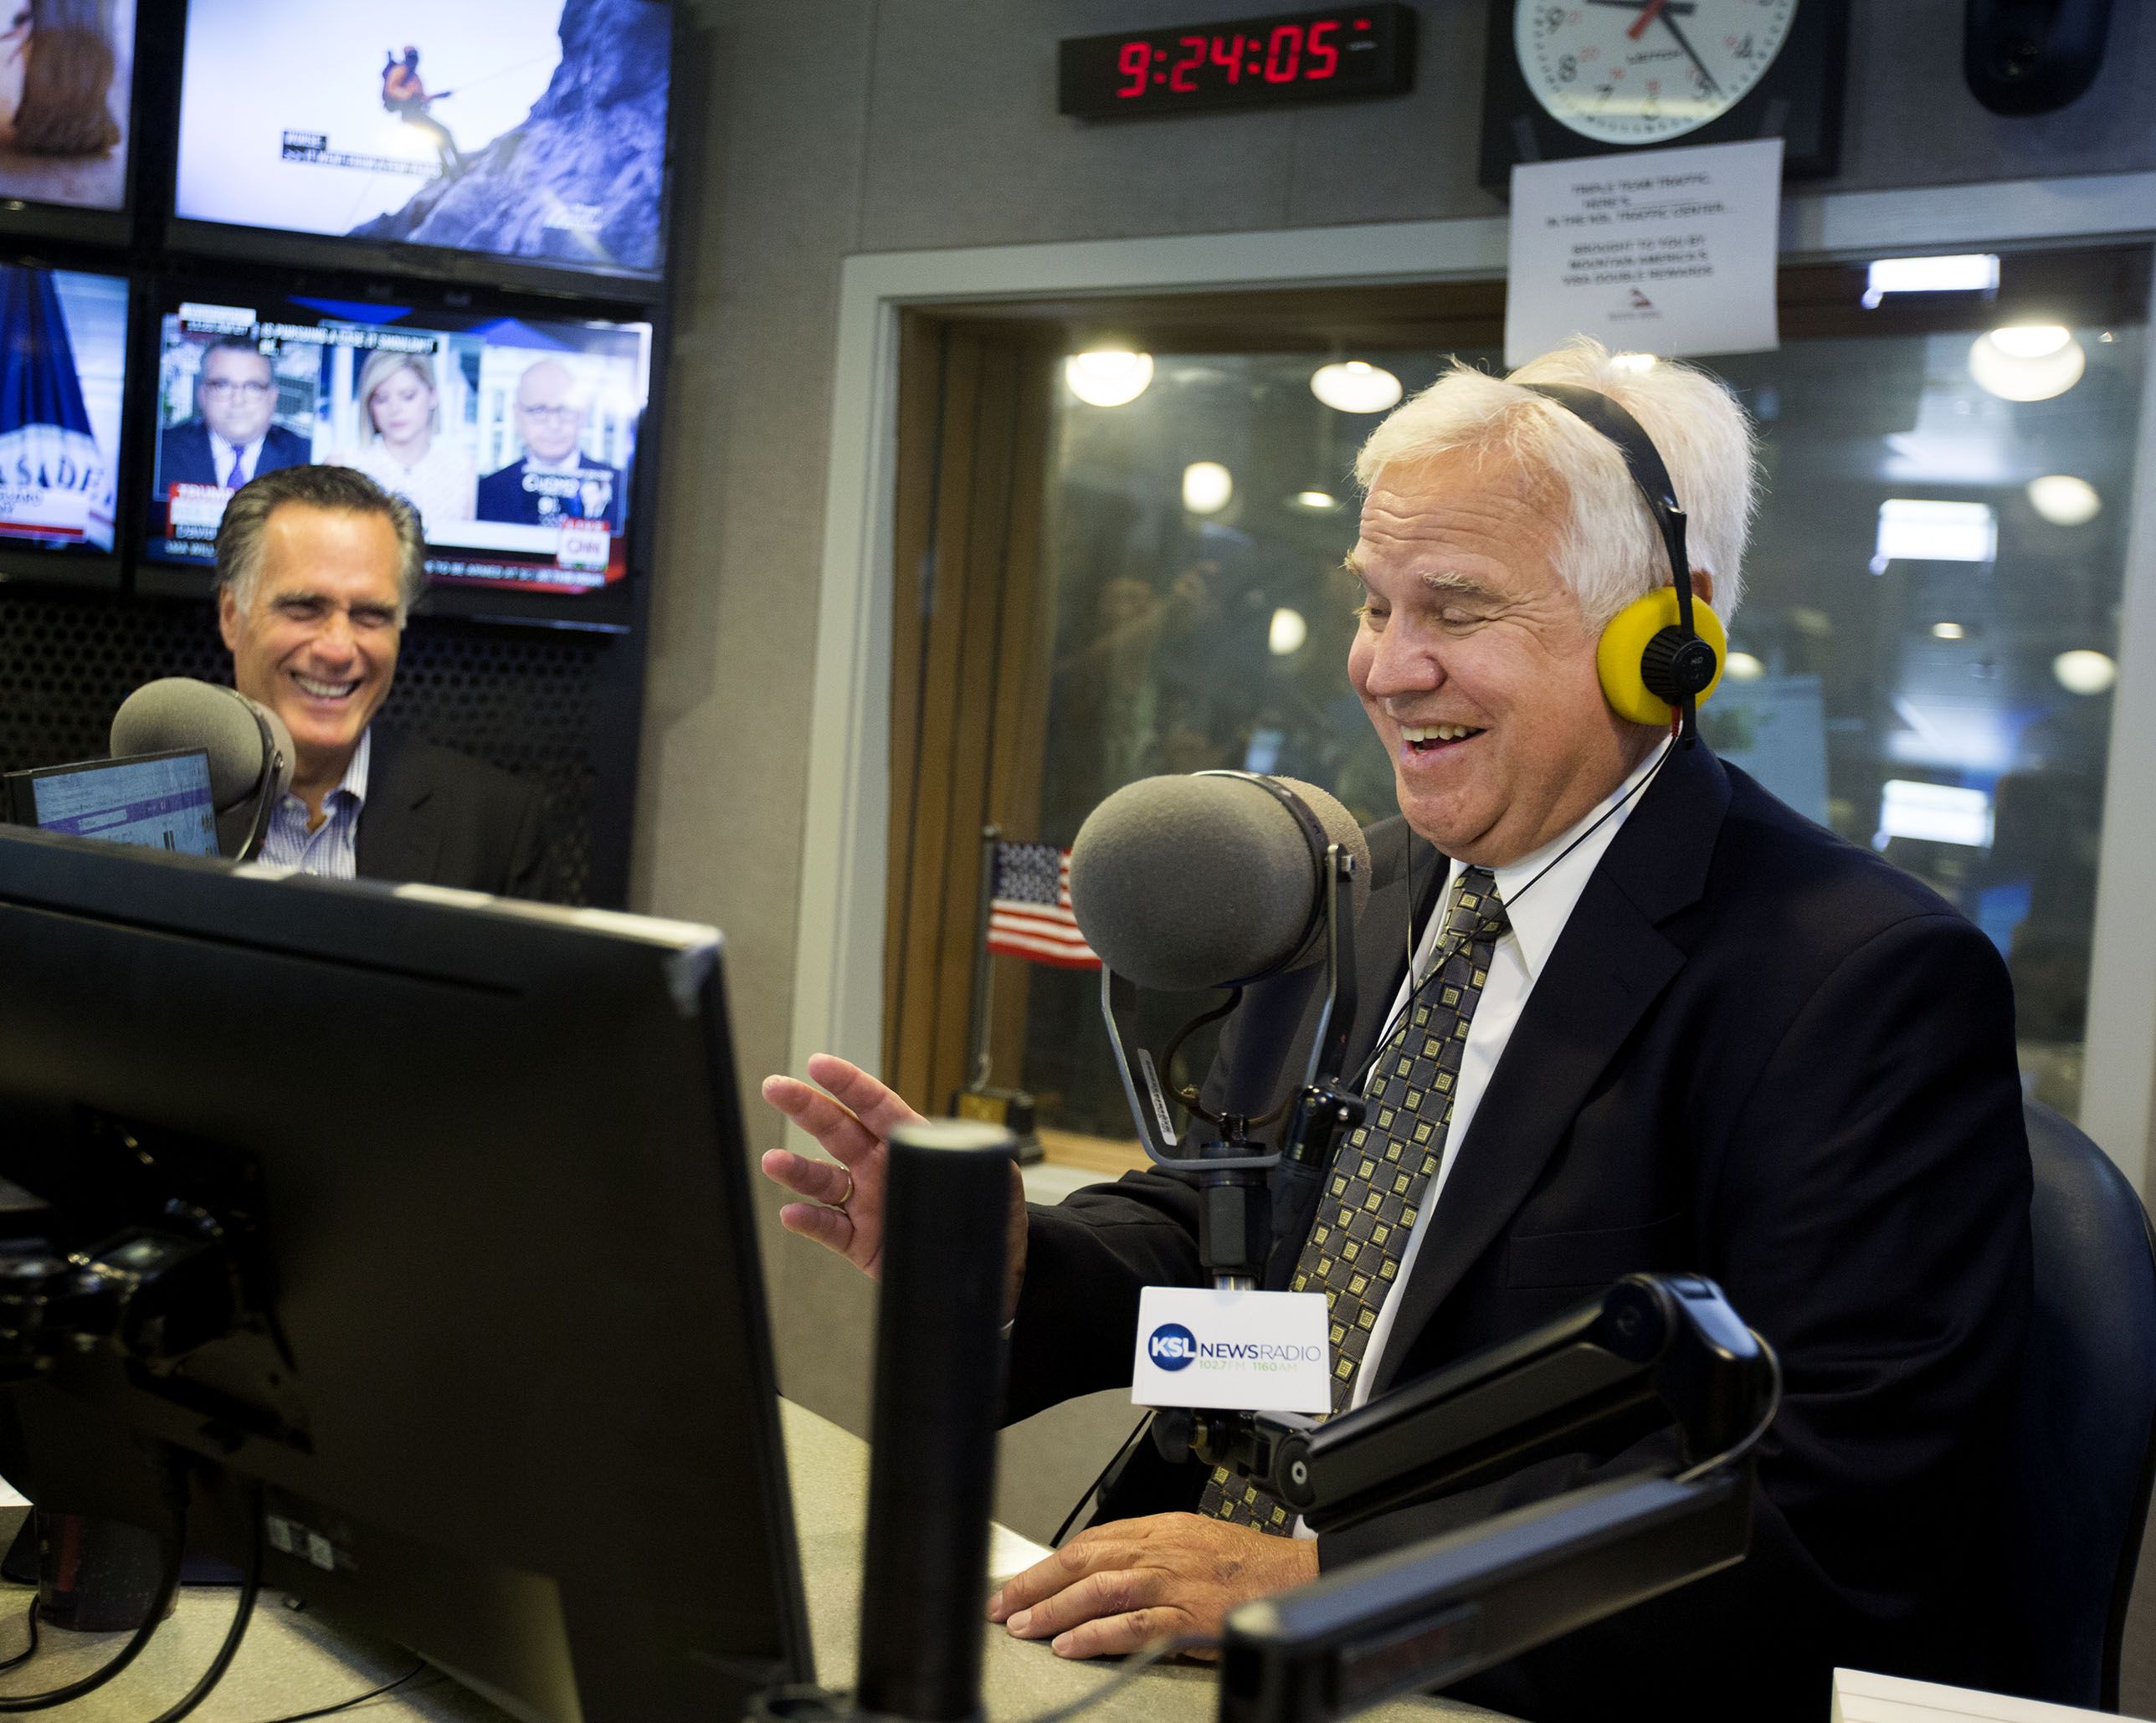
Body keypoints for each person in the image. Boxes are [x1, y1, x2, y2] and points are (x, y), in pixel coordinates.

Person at [763, 340, 2031, 1722]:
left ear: (1669, 637)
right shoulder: (1363, 886)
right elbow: (1250, 1266)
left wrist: (1320, 1580)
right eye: (1374, 601)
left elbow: (1830, 1517)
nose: (1384, 664)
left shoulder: (1859, 981)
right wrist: (1013, 1259)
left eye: (1459, 607)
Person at [214, 464, 547, 895]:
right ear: (230, 617)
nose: (337, 649)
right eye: (304, 608)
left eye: (371, 615)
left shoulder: (497, 828)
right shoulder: (121, 815)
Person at [473, 360, 623, 530]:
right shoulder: (486, 491)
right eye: (538, 410)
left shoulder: (621, 489)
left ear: (582, 415)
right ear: (517, 416)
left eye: (565, 409)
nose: (553, 425)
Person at [158, 337, 312, 493]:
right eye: (222, 385)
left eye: (253, 386)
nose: (238, 400)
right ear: (202, 394)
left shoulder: (308, 457)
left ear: (273, 396)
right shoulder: (162, 449)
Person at [346, 350, 475, 531]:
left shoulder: (463, 468)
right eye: (382, 399)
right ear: (369, 405)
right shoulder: (346, 464)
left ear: (432, 395)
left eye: (407, 396)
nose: (395, 409)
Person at [382, 45, 460, 177]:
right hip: (410, 113)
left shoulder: (415, 77)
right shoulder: (400, 71)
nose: (414, 60)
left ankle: (447, 170)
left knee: (439, 135)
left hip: (416, 113)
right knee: (444, 132)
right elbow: (391, 89)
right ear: (407, 58)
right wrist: (408, 96)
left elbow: (423, 97)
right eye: (412, 57)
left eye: (415, 57)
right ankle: (458, 166)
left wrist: (441, 95)